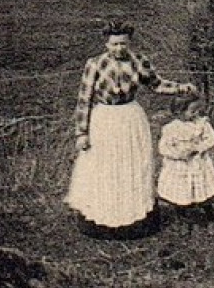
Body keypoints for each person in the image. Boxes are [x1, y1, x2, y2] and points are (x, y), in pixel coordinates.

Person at [65, 23, 194, 235]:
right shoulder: (95, 64)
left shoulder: (138, 61)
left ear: (129, 42)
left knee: (132, 165)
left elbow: (157, 84)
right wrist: (81, 132)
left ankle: (133, 221)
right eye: (114, 44)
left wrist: (181, 88)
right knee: (104, 167)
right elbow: (84, 99)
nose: (119, 48)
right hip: (104, 119)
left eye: (123, 43)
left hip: (130, 118)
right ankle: (101, 221)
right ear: (106, 43)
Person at [156, 91, 214, 225]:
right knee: (179, 194)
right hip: (179, 167)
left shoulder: (201, 124)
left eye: (197, 110)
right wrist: (179, 153)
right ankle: (183, 221)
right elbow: (163, 148)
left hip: (198, 164)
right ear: (179, 112)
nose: (196, 114)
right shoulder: (171, 128)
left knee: (205, 194)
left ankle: (211, 219)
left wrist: (199, 147)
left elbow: (211, 138)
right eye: (192, 111)